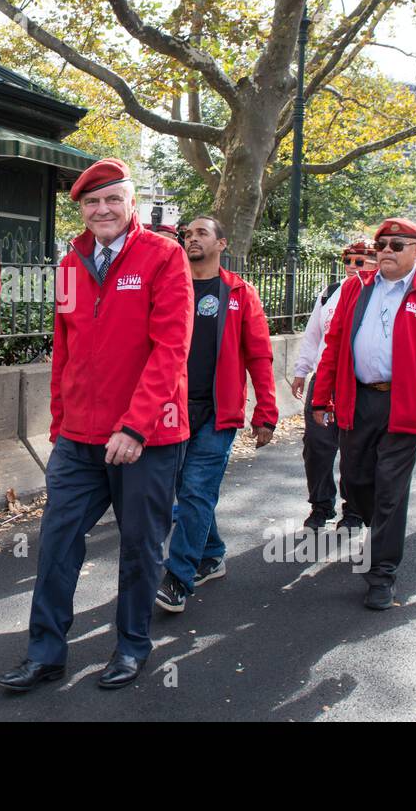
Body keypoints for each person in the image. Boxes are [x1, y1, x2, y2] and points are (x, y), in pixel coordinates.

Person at [0, 158, 192, 692]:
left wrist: (135, 426)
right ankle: (46, 654)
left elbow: (171, 347)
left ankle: (131, 646)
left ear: (131, 203)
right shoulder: (69, 264)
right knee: (57, 545)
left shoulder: (163, 255)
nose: (102, 210)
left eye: (112, 200)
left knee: (140, 548)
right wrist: (59, 422)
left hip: (144, 439)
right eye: (91, 202)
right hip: (79, 438)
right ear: (81, 210)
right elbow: (64, 350)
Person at [311, 217, 416, 610]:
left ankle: (382, 572)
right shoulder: (355, 288)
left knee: (390, 490)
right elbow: (333, 346)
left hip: (405, 405)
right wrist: (322, 398)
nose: (385, 251)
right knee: (357, 480)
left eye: (397, 245)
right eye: (382, 244)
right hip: (357, 401)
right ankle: (369, 520)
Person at [155, 216, 277, 614]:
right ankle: (213, 552)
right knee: (187, 493)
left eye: (201, 233)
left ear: (222, 243)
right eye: (187, 234)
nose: (191, 239)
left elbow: (259, 355)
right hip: (170, 409)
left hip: (217, 413)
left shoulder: (240, 292)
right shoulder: (168, 286)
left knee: (195, 491)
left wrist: (266, 411)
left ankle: (178, 577)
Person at [292, 240, 376, 528]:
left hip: (359, 384)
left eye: (360, 261)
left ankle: (353, 509)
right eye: (348, 261)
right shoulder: (330, 293)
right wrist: (302, 370)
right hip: (325, 379)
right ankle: (320, 505)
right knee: (316, 445)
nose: (353, 267)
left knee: (355, 450)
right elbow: (314, 334)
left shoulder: (380, 294)